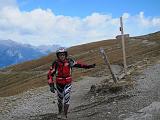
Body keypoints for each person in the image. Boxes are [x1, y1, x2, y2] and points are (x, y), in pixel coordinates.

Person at [47, 47, 96, 119]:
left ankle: (65, 114)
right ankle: (60, 112)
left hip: (68, 83)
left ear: (65, 55)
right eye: (60, 55)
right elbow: (50, 74)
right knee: (60, 99)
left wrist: (89, 66)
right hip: (59, 83)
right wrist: (51, 85)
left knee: (66, 98)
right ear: (58, 56)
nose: (62, 56)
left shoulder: (70, 61)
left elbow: (79, 65)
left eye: (63, 55)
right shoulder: (56, 63)